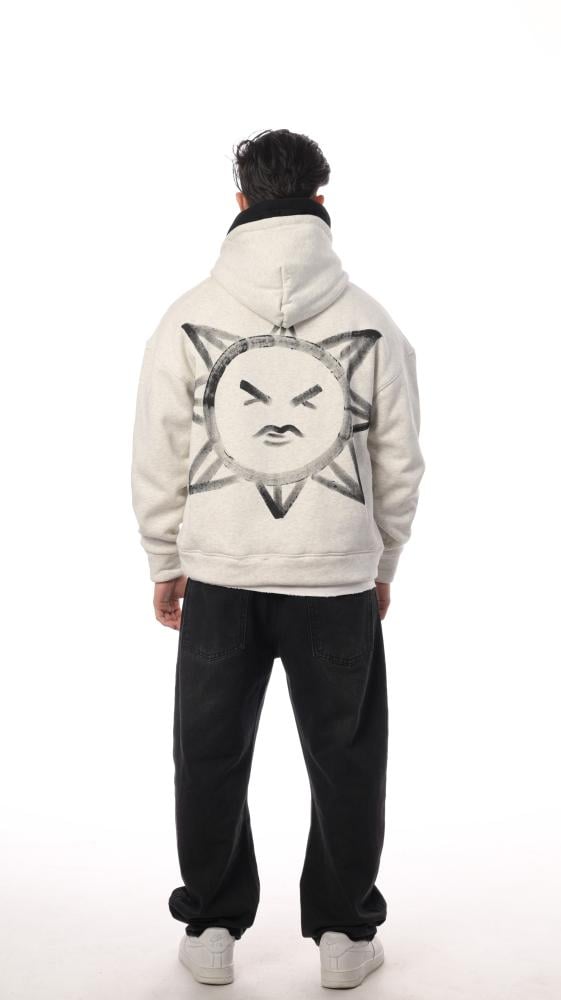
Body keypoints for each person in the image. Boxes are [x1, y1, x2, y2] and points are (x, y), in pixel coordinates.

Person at [130, 128, 425, 989]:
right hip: (334, 578)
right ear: (321, 201)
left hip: (220, 573)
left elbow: (157, 446)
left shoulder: (186, 314)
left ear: (240, 201)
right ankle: (343, 935)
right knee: (347, 757)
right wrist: (381, 562)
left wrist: (163, 555)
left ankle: (211, 926)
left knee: (209, 753)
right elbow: (399, 461)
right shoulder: (371, 320)